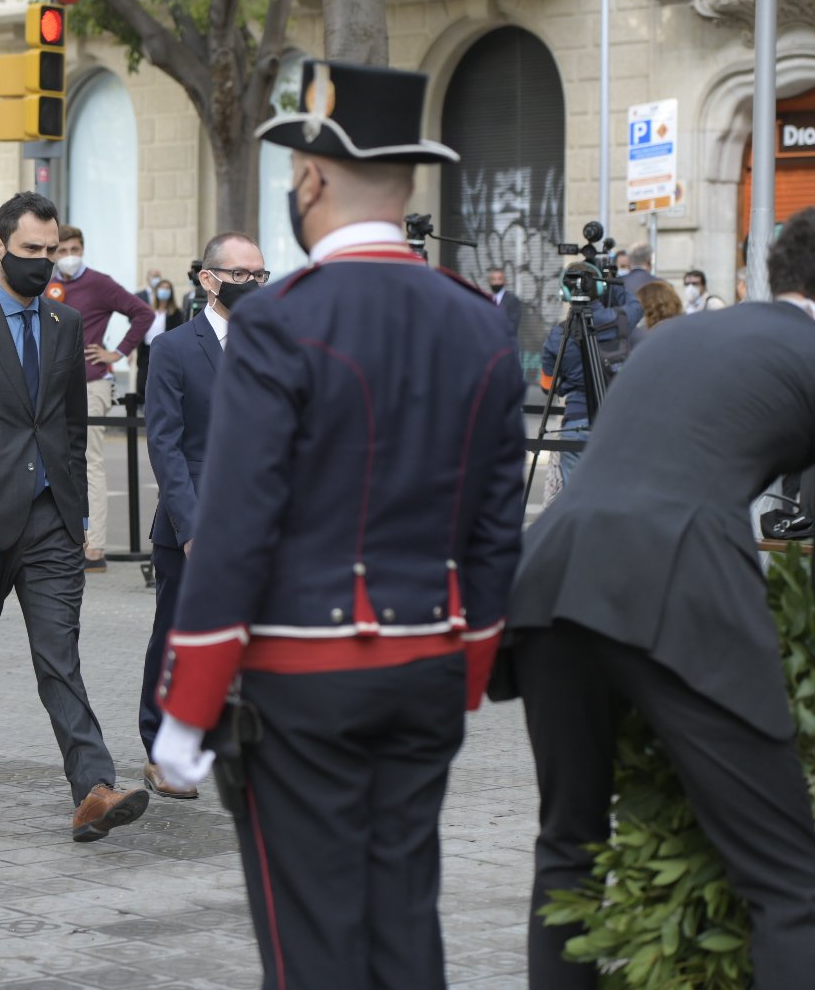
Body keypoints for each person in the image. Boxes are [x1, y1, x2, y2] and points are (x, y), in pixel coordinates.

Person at [149, 60, 526, 989]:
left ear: (312, 178)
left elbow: (238, 525)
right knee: (403, 930)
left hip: (301, 681)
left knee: (311, 948)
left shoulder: (282, 320)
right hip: (430, 669)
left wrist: (187, 705)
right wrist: (468, 664)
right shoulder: (481, 322)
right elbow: (494, 526)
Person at [504, 203, 815, 989]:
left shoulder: (682, 332)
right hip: (680, 585)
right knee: (791, 884)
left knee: (570, 849)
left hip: (552, 575)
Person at [0, 191, 148, 841]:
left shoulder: (65, 325)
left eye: (51, 252)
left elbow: (70, 426)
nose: (45, 264)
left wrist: (75, 512)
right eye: (31, 251)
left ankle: (94, 787)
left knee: (59, 654)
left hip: (50, 521)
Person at [140, 235, 266, 799]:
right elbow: (166, 446)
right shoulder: (174, 348)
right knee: (176, 637)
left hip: (261, 521)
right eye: (241, 275)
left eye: (261, 275)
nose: (254, 286)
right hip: (194, 525)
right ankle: (160, 745)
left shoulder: (275, 343)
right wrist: (190, 529)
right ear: (209, 279)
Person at [50, 225, 156, 571]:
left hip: (90, 383)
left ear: (83, 248)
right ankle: (67, 539)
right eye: (62, 249)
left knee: (89, 462)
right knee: (57, 462)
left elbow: (144, 313)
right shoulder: (47, 283)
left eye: (74, 248)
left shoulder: (99, 282)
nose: (68, 256)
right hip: (51, 385)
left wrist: (119, 352)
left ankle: (93, 548)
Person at [539, 271, 643, 482]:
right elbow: (636, 306)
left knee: (574, 497)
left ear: (566, 293)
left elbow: (547, 386)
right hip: (615, 418)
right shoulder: (620, 320)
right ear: (600, 288)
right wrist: (611, 281)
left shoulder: (557, 334)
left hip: (575, 422)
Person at [133, 276, 187, 401]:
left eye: (167, 289)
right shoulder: (148, 312)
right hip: (146, 352)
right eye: (162, 288)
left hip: (164, 353)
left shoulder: (176, 314)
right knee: (142, 385)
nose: (164, 291)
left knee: (161, 387)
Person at [488, 266, 523, 347]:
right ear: (489, 282)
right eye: (493, 279)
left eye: (499, 279)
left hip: (506, 347)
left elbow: (513, 325)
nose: (496, 282)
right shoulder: (486, 300)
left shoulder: (512, 300)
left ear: (504, 281)